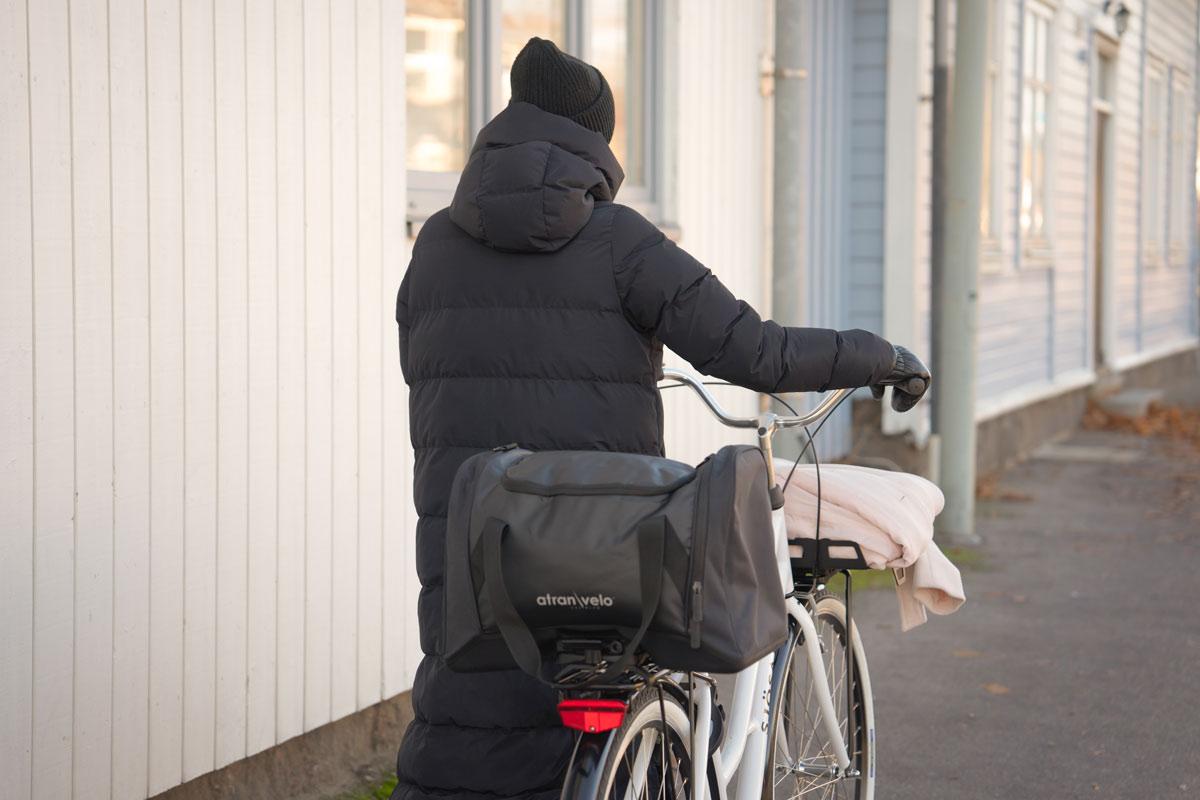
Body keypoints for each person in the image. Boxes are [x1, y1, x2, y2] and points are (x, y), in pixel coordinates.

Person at [392, 37, 930, 800]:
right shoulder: (622, 244)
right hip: (599, 552)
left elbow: (425, 380)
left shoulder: (436, 246)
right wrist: (878, 357)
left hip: (475, 554)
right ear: (593, 142)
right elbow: (757, 353)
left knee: (472, 724)